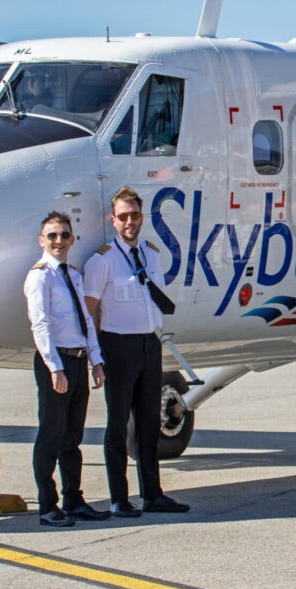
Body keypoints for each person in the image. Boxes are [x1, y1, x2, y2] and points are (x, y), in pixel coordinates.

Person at [83, 186, 189, 517]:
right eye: (124, 216)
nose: (130, 221)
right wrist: (96, 355)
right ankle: (119, 498)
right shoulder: (102, 260)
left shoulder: (151, 253)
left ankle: (153, 494)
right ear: (112, 220)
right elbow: (90, 310)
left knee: (147, 423)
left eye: (135, 216)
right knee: (117, 425)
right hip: (118, 345)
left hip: (148, 343)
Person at [24, 211, 110, 527]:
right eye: (52, 236)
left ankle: (74, 499)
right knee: (50, 433)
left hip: (76, 359)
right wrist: (54, 368)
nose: (59, 241)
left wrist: (96, 360)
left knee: (72, 436)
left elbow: (86, 320)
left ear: (72, 239)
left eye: (64, 235)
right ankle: (48, 505)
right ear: (42, 241)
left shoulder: (73, 274)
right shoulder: (39, 276)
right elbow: (41, 323)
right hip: (56, 362)